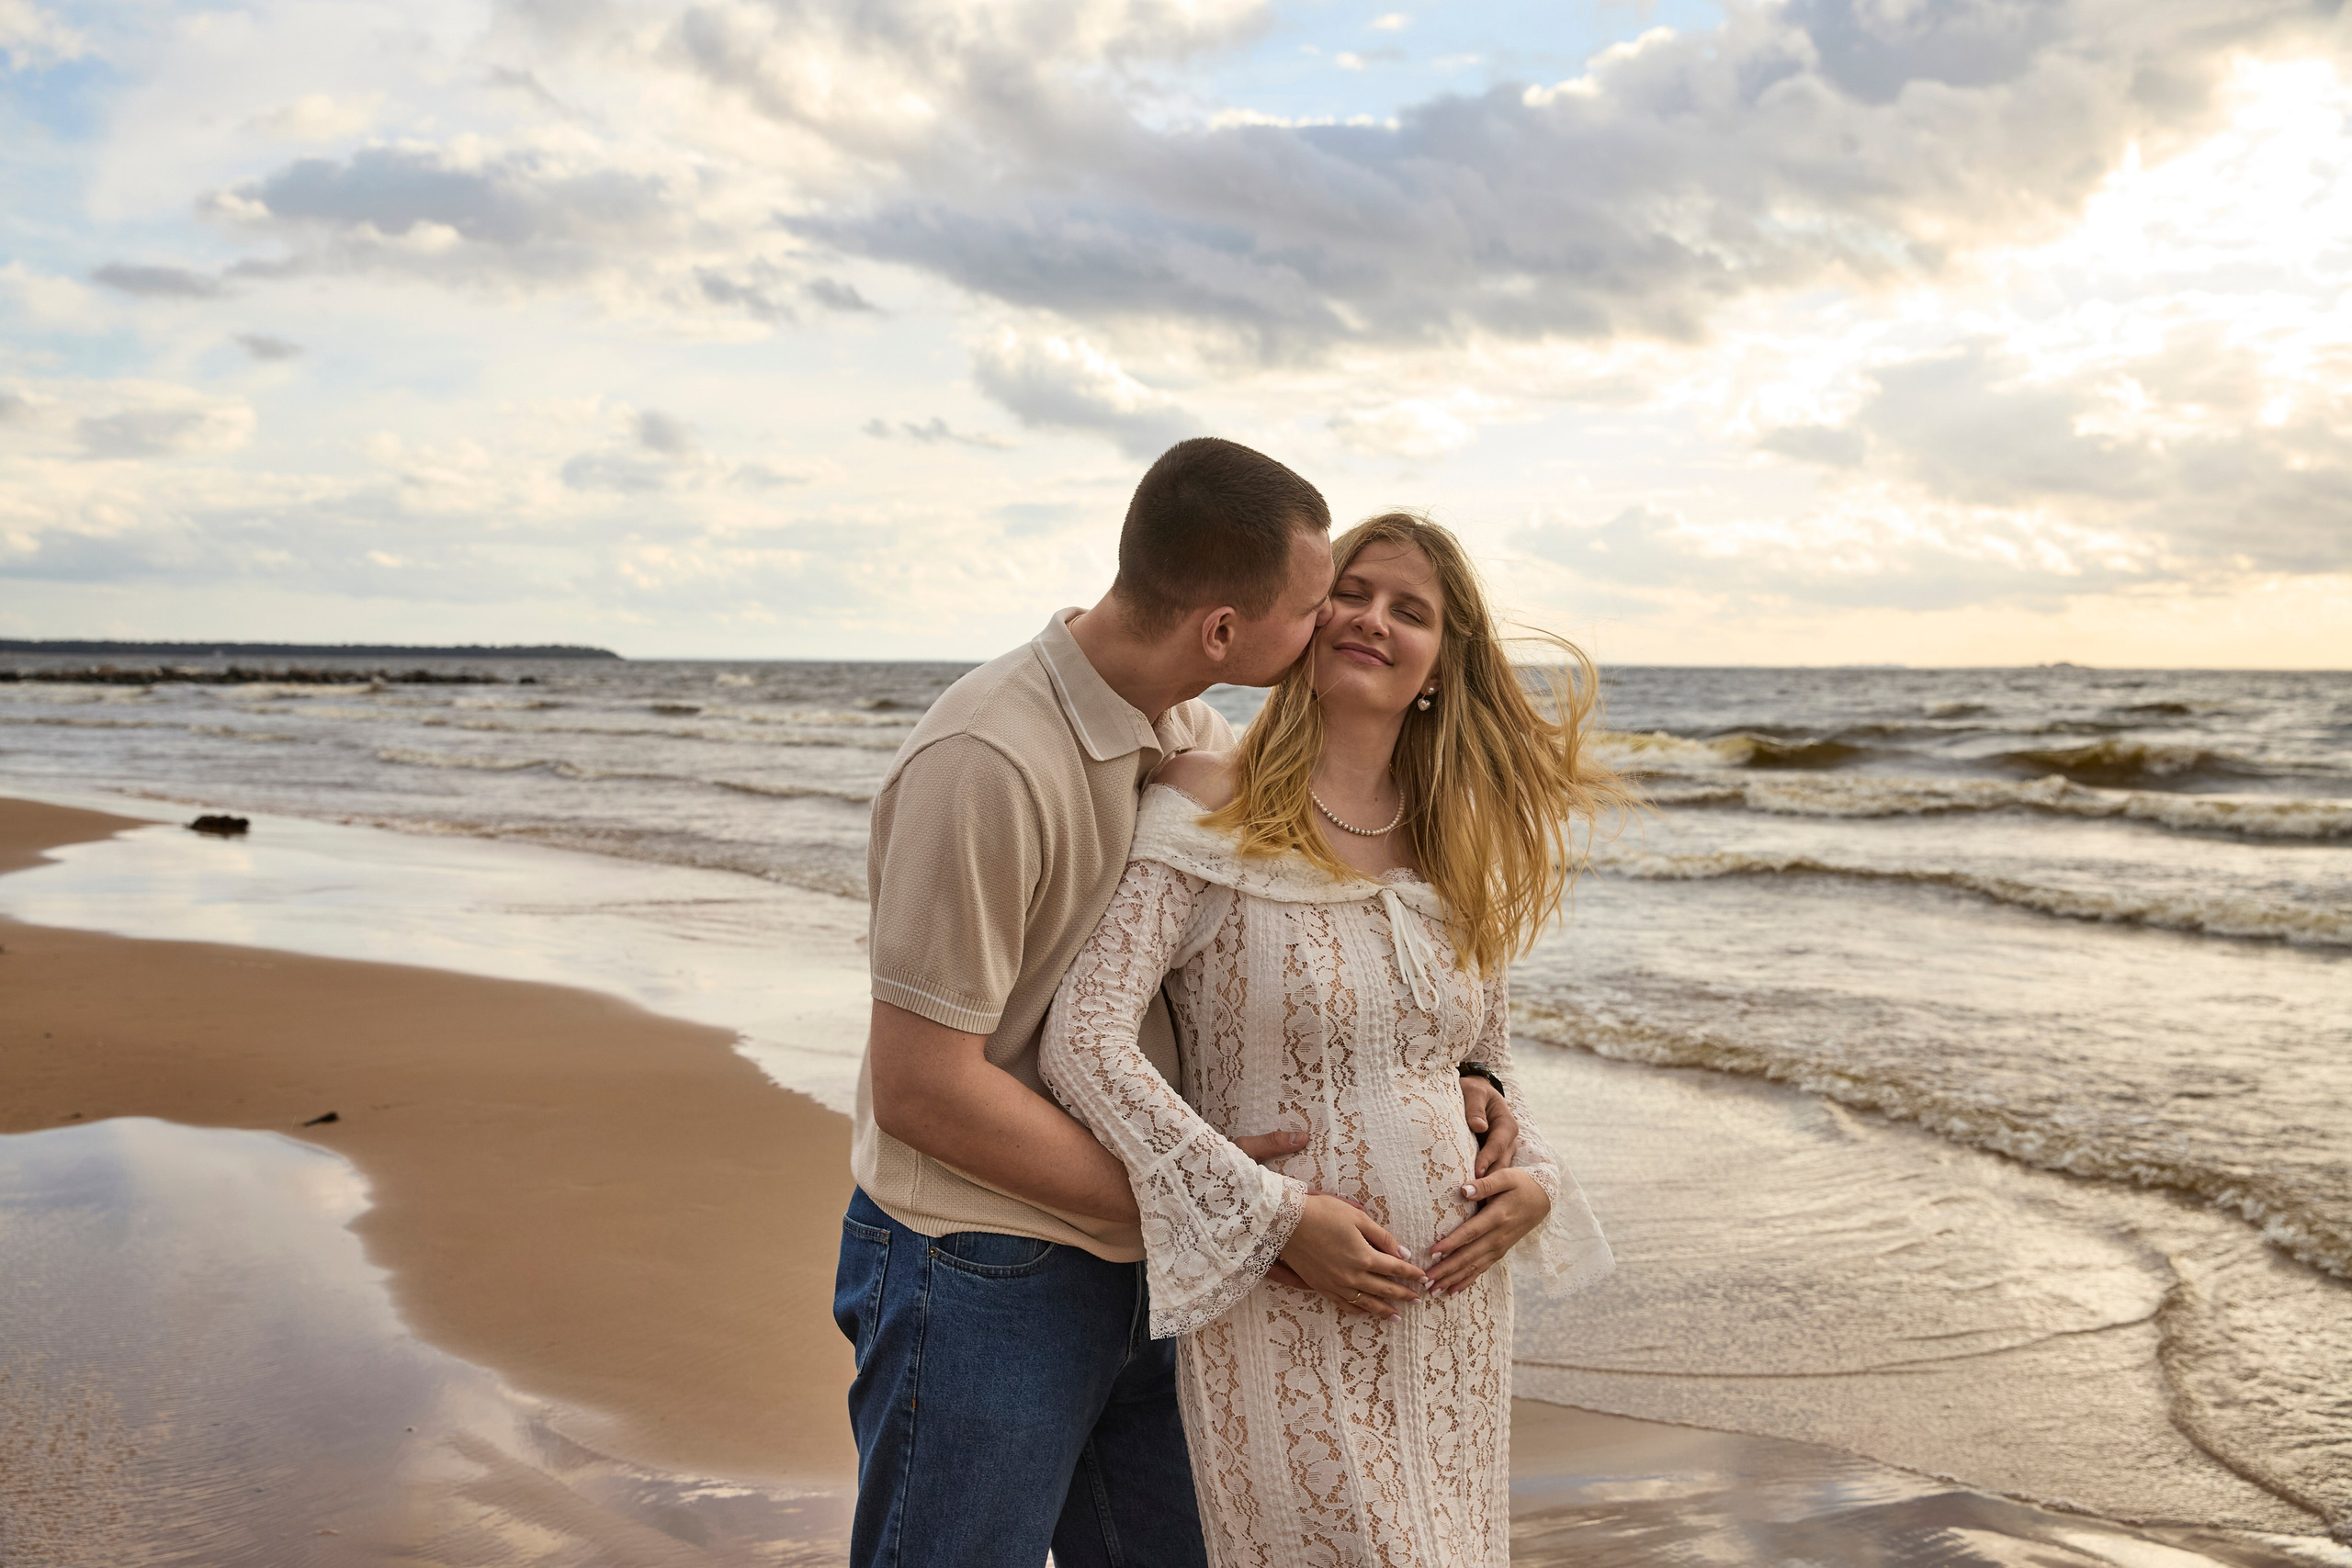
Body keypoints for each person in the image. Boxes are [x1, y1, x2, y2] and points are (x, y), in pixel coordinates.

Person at [835, 445, 1525, 1568]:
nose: (1329, 630)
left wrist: (1473, 1079)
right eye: (1318, 606)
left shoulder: (1190, 736)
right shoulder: (987, 762)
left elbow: (1337, 911)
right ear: (1222, 632)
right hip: (982, 1264)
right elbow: (921, 1090)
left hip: (1162, 1269)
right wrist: (1244, 1213)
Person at [1038, 511, 1631, 1567]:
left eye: (1410, 611)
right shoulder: (1204, 804)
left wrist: (1530, 1180)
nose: (1370, 619)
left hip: (1451, 1307)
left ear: (1439, 669)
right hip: (1285, 1300)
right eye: (1349, 594)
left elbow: (1476, 1061)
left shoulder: (1455, 850)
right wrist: (1264, 1219)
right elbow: (1082, 1040)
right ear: (1305, 625)